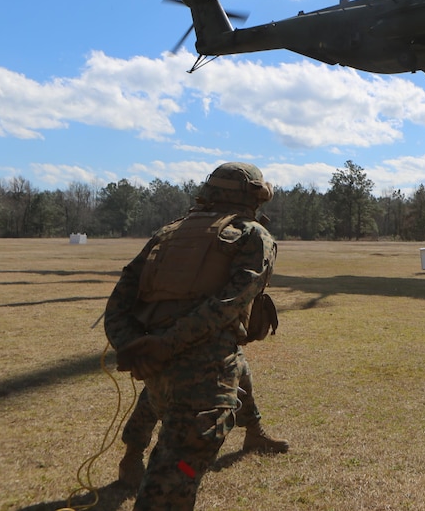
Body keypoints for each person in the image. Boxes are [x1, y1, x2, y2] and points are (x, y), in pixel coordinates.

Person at [105, 162, 285, 510]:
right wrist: (161, 345)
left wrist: (135, 346)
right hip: (203, 377)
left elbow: (119, 300)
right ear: (253, 195)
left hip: (159, 368)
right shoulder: (252, 235)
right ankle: (161, 466)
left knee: (234, 373)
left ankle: (253, 432)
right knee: (178, 473)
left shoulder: (169, 232)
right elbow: (229, 304)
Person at [118, 347, 289, 488]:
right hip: (170, 335)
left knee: (239, 366)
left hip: (210, 337)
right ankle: (132, 457)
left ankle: (254, 432)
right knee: (160, 388)